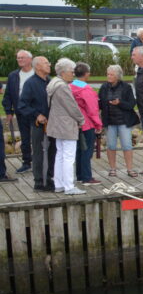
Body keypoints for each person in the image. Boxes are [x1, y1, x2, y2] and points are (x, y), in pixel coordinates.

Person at [47, 58, 85, 195]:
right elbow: (72, 107)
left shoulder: (53, 83)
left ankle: (59, 184)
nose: (73, 74)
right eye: (71, 71)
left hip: (56, 124)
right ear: (63, 72)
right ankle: (69, 186)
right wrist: (81, 120)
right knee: (68, 156)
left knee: (60, 155)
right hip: (66, 125)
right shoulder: (62, 86)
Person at [19, 55, 56, 191]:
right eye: (46, 63)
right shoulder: (30, 83)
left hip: (53, 124)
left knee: (52, 151)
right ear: (38, 66)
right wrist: (37, 114)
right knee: (39, 153)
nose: (49, 65)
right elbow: (22, 105)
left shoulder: (50, 81)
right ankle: (39, 182)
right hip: (39, 125)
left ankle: (49, 178)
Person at [98, 64, 139, 177]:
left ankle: (130, 169)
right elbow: (100, 104)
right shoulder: (104, 87)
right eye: (108, 74)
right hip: (109, 121)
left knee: (127, 145)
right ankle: (112, 169)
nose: (109, 76)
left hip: (124, 122)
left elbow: (131, 104)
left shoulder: (126, 87)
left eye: (111, 74)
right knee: (111, 146)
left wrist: (119, 103)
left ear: (117, 76)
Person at [3, 48, 35, 173]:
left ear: (30, 59)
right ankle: (27, 162)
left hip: (37, 112)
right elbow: (8, 95)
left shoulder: (37, 74)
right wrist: (8, 111)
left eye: (22, 57)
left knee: (40, 138)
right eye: (18, 58)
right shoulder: (13, 76)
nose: (20, 60)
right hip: (21, 112)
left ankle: (41, 161)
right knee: (25, 139)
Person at [70, 63, 101, 185]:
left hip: (74, 122)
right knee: (87, 150)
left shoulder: (70, 87)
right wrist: (98, 124)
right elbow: (92, 109)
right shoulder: (86, 90)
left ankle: (79, 175)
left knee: (78, 149)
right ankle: (87, 177)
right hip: (86, 123)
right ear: (87, 74)